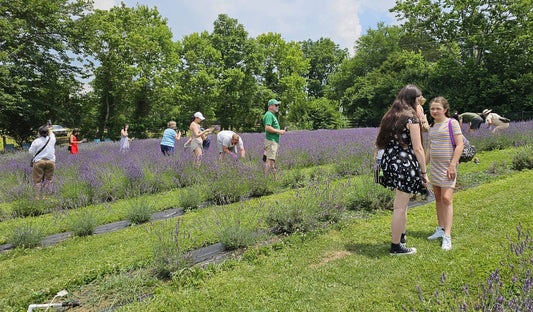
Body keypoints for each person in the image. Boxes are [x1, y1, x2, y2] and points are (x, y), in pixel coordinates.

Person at [376, 85, 428, 255]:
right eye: (419, 100)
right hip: (404, 164)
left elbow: (380, 143)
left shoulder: (389, 116)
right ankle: (396, 246)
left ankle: (401, 236)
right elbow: (418, 148)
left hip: (389, 163)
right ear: (413, 99)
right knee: (400, 207)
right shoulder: (411, 118)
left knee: (402, 205)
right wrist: (424, 172)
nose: (421, 103)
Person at [425, 97, 464, 251]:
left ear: (445, 110)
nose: (434, 111)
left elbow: (460, 145)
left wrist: (453, 165)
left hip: (448, 168)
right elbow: (429, 148)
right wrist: (423, 166)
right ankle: (440, 229)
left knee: (447, 198)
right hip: (434, 168)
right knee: (438, 197)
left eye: (438, 109)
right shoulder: (432, 127)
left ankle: (447, 236)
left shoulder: (452, 123)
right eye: (432, 109)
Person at [29, 125, 56, 199]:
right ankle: (45, 196)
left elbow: (31, 151)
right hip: (51, 161)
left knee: (37, 179)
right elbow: (52, 133)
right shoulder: (52, 139)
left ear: (39, 133)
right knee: (49, 179)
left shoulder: (36, 141)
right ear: (47, 133)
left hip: (39, 161)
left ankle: (37, 196)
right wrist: (49, 129)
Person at [263, 99, 286, 177]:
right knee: (270, 161)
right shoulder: (269, 114)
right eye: (276, 105)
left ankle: (274, 179)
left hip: (272, 141)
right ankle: (265, 181)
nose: (277, 107)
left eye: (278, 105)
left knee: (271, 161)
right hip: (271, 141)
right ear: (270, 106)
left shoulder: (271, 115)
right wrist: (279, 131)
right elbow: (267, 128)